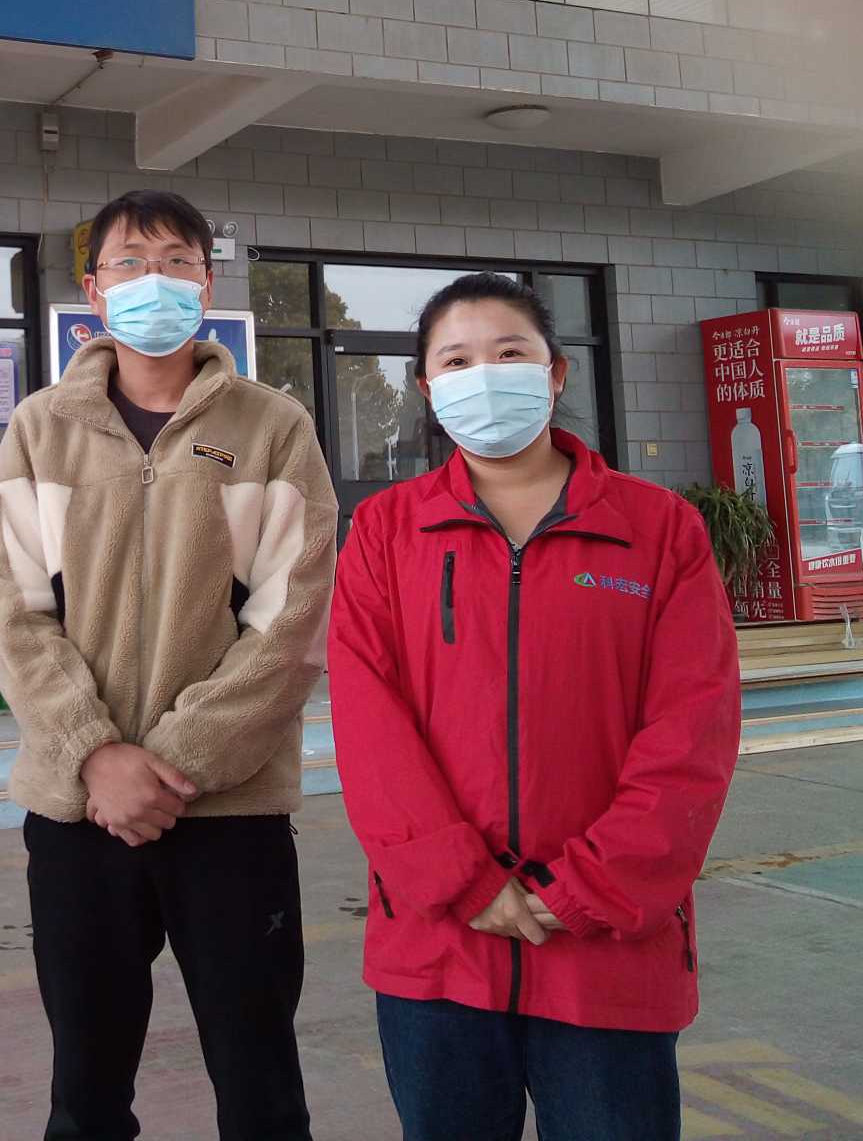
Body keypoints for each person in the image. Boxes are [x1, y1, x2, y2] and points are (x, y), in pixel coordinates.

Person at [328, 272, 741, 1141]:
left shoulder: (659, 530)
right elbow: (369, 723)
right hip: (440, 944)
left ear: (555, 374)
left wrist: (590, 887)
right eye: (457, 360)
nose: (484, 375)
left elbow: (692, 728)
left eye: (510, 352)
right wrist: (462, 881)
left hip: (605, 947)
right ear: (427, 388)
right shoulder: (385, 533)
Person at [0, 190, 339, 1141]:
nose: (156, 281)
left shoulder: (272, 427)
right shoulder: (41, 428)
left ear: (207, 287)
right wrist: (95, 755)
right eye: (131, 263)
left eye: (178, 262)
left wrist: (171, 764)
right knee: (85, 1092)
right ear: (94, 289)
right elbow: (14, 610)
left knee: (261, 1091)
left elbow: (293, 621)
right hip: (78, 813)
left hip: (229, 813)